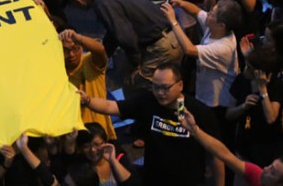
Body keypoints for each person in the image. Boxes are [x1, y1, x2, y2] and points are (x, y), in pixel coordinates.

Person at [80, 63, 225, 186]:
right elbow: (111, 107)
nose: (160, 93)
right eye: (155, 87)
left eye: (165, 87)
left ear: (180, 85)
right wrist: (87, 101)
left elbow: (217, 156)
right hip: (153, 179)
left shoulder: (200, 112)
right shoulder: (148, 102)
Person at [62, 0, 183, 82]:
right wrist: (104, 53)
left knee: (138, 84)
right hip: (172, 37)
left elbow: (126, 38)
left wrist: (136, 65)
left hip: (163, 46)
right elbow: (114, 31)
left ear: (76, 1)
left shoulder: (102, 4)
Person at [161, 0, 241, 109]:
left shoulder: (224, 48)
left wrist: (173, 20)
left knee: (199, 120)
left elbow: (189, 49)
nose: (207, 14)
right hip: (203, 91)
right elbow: (196, 11)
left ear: (221, 25)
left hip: (215, 102)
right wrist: (181, 2)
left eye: (212, 13)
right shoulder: (215, 27)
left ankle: (182, 121)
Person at [179, 105, 283, 186]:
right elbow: (224, 154)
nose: (265, 169)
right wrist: (195, 130)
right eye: (270, 166)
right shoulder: (257, 174)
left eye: (272, 172)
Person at [61, 29, 115, 140]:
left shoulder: (90, 62)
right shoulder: (55, 72)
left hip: (101, 134)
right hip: (74, 136)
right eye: (65, 51)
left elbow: (100, 50)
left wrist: (79, 38)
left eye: (75, 48)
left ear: (81, 47)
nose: (71, 54)